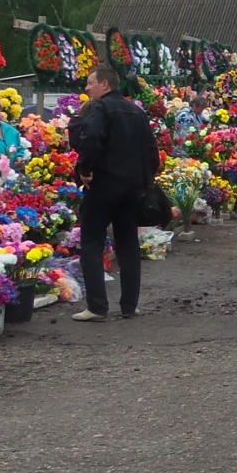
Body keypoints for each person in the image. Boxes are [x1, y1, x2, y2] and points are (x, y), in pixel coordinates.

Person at [68, 67, 156, 321]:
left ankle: (97, 307)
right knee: (128, 245)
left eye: (90, 83)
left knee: (92, 244)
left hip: (103, 184)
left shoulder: (100, 108)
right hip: (131, 188)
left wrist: (85, 169)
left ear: (104, 84)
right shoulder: (136, 111)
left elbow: (91, 138)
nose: (87, 88)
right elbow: (151, 150)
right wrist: (145, 182)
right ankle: (129, 306)